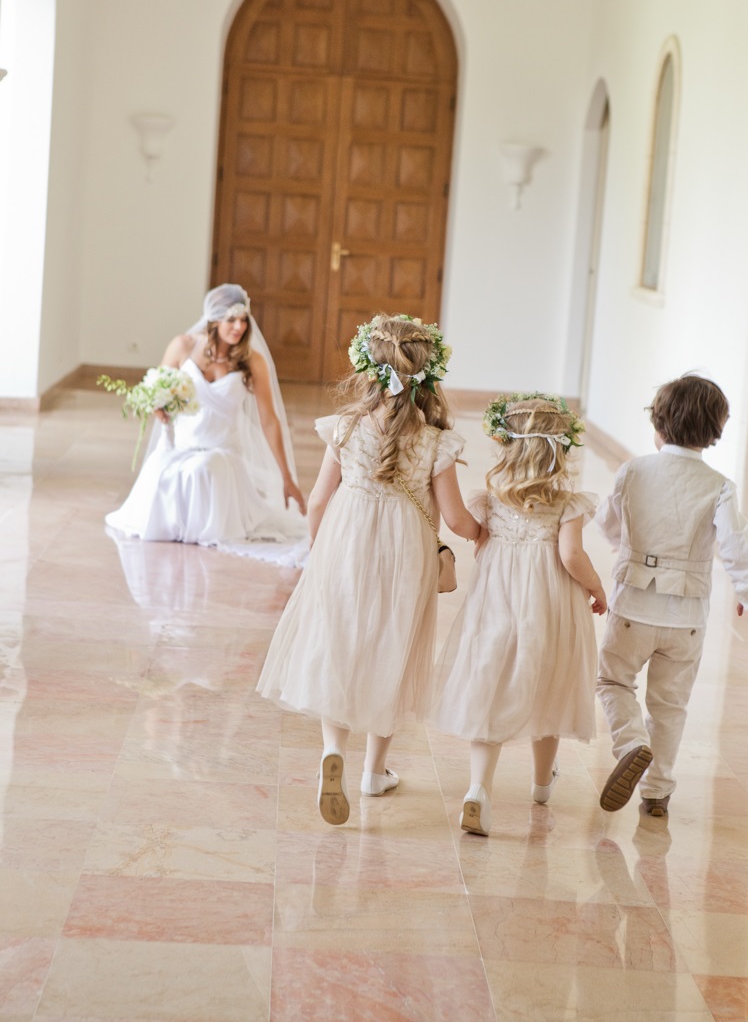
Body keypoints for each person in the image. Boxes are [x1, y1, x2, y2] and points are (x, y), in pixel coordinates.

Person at [256, 313, 482, 825]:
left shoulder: (347, 427)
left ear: (367, 368)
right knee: (393, 647)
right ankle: (374, 772)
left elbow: (317, 501)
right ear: (429, 373)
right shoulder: (436, 440)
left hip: (347, 541)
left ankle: (332, 751)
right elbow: (453, 517)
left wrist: (320, 552)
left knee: (340, 643)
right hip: (405, 552)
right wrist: (481, 532)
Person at [430, 393, 606, 837]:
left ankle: (478, 790)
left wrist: (479, 535)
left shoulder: (490, 497)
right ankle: (542, 784)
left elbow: (467, 529)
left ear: (506, 445)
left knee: (491, 683)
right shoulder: (567, 502)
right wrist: (595, 585)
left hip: (497, 602)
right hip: (550, 605)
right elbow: (571, 555)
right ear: (560, 451)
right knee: (547, 684)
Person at [596, 374, 748, 818]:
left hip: (633, 603)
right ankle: (657, 791)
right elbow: (736, 542)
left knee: (613, 681)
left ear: (658, 422)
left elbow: (609, 521)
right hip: (687, 616)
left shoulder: (633, 470)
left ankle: (631, 744)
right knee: (669, 705)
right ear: (714, 431)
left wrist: (625, 551)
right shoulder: (719, 485)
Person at [105, 284, 307, 563]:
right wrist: (158, 409)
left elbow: (269, 421)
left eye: (244, 319)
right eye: (231, 319)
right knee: (159, 468)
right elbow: (157, 393)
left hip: (222, 450)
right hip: (182, 444)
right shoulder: (183, 345)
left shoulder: (252, 360)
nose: (239, 327)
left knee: (203, 469)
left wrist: (287, 477)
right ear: (213, 319)